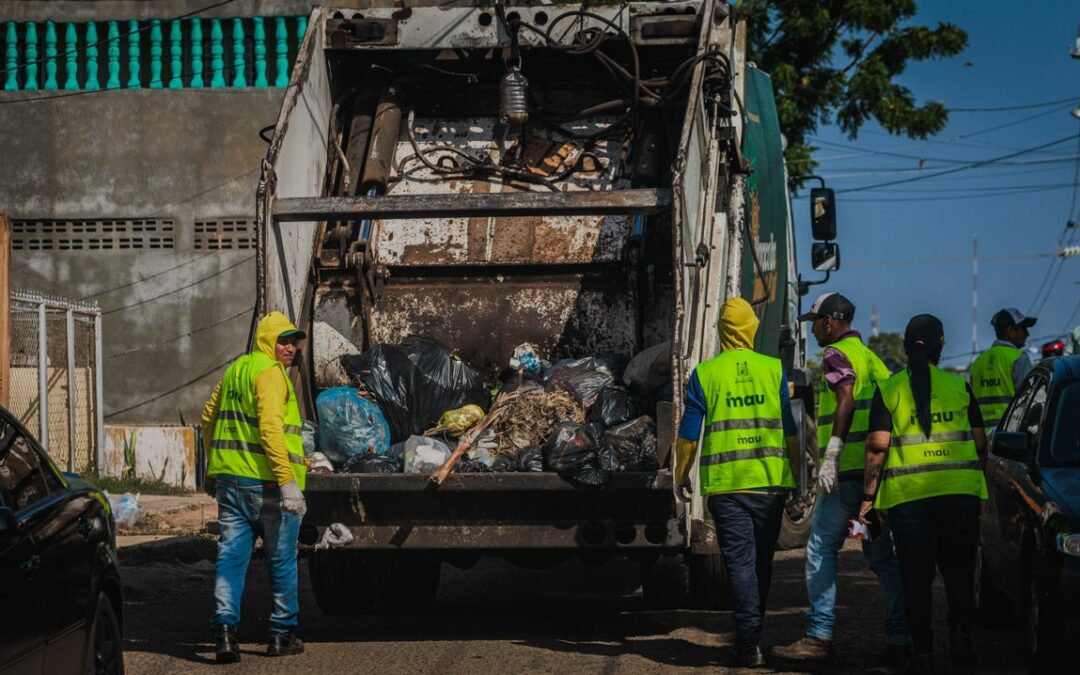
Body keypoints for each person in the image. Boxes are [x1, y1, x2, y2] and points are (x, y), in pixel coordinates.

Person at [774, 292, 910, 666]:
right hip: (872, 477)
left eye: (816, 322)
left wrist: (832, 451)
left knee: (819, 548)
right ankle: (901, 637)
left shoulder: (836, 354)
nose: (814, 330)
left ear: (831, 322)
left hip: (847, 472)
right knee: (882, 558)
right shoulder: (875, 360)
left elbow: (846, 399)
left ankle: (819, 636)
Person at [674, 297, 800, 668]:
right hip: (769, 484)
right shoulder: (773, 370)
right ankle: (752, 634)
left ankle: (750, 642)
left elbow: (688, 436)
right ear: (752, 328)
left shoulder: (705, 374)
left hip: (727, 488)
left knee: (740, 565)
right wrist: (798, 477)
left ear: (723, 331)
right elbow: (791, 432)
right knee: (761, 563)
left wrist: (681, 476)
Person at [860, 314, 988, 673]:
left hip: (908, 500)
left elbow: (877, 449)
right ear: (941, 347)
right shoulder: (959, 386)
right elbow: (980, 445)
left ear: (904, 348)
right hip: (959, 497)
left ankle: (923, 654)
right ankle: (962, 646)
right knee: (959, 574)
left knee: (916, 579)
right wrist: (975, 489)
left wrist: (869, 499)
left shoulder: (890, 390)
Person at [202, 311, 309, 662]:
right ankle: (281, 634)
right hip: (268, 487)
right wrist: (288, 483)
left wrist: (212, 468)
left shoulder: (236, 370)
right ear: (266, 340)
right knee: (281, 560)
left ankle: (225, 635)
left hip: (230, 483)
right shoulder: (271, 375)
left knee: (231, 558)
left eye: (294, 341)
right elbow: (270, 431)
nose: (290, 347)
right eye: (283, 340)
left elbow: (208, 416)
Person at [970, 307, 1036, 428]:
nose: (1027, 334)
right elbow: (1028, 399)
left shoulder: (978, 362)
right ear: (1010, 330)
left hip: (982, 434)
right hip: (1009, 431)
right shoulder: (1018, 358)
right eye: (1023, 328)